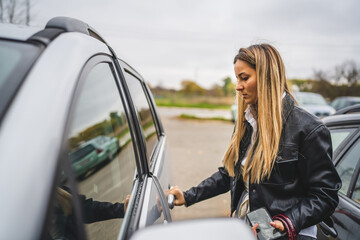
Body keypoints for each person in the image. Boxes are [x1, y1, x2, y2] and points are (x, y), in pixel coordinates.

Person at [169, 43, 341, 240]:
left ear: (267, 77)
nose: (237, 86)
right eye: (237, 78)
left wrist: (288, 221)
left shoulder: (309, 129)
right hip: (253, 230)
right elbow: (231, 174)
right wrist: (188, 196)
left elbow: (325, 195)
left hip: (290, 235)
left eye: (244, 78)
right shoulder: (248, 121)